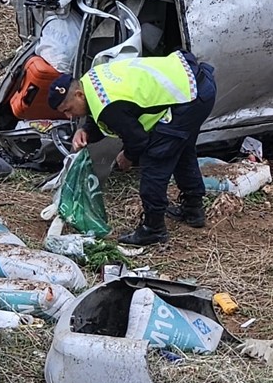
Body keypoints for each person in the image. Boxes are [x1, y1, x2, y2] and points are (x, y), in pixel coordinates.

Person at [47, 50, 216, 246]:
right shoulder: (91, 80)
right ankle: (193, 209)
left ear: (78, 95)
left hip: (190, 97)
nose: (69, 116)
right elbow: (111, 112)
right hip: (194, 84)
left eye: (68, 110)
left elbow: (138, 139)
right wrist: (86, 129)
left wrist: (127, 156)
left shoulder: (106, 104)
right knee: (180, 149)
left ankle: (154, 229)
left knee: (156, 158)